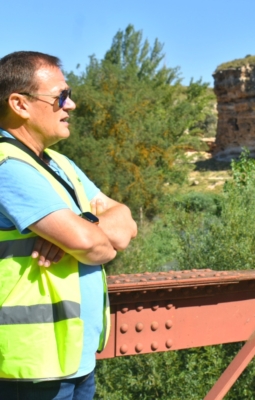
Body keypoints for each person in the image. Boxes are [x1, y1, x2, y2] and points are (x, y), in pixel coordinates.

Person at [0, 51, 137, 399]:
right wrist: (85, 237)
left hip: (75, 361)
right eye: (60, 96)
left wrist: (84, 226)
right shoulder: (6, 166)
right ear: (20, 104)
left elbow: (125, 225)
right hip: (28, 368)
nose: (71, 105)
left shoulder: (60, 164)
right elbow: (97, 247)